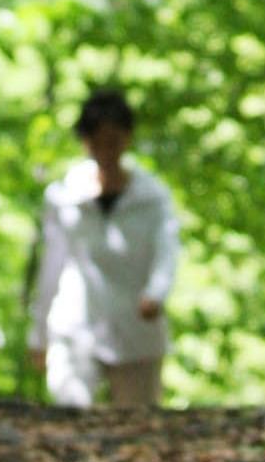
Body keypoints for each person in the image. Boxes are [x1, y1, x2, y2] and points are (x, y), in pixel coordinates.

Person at [27, 90, 181, 409]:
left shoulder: (153, 198)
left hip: (137, 332)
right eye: (96, 141)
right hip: (76, 330)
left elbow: (167, 251)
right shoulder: (64, 198)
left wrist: (156, 292)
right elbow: (51, 268)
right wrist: (39, 335)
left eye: (113, 140)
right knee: (70, 415)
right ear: (85, 142)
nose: (105, 151)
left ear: (127, 139)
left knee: (138, 424)